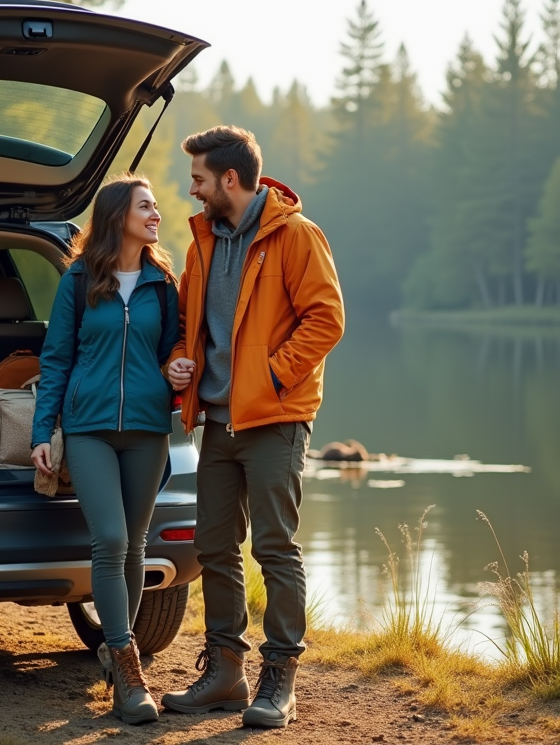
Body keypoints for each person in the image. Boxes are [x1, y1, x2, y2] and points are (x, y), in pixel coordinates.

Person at [161, 126, 344, 728]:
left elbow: (326, 320)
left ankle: (280, 677)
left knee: (274, 547)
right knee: (214, 546)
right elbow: (187, 323)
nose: (193, 190)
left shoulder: (296, 235)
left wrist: (270, 376)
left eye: (199, 179)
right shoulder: (202, 243)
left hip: (275, 419)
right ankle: (225, 673)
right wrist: (179, 361)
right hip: (216, 421)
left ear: (230, 179)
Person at [31, 174, 180, 725]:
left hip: (147, 429)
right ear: (119, 216)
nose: (156, 214)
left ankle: (117, 656)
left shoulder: (163, 284)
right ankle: (128, 666)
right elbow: (56, 358)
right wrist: (43, 431)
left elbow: (172, 349)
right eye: (146, 206)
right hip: (88, 427)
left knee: (136, 545)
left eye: (156, 206)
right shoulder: (78, 279)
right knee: (111, 538)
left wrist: (177, 370)